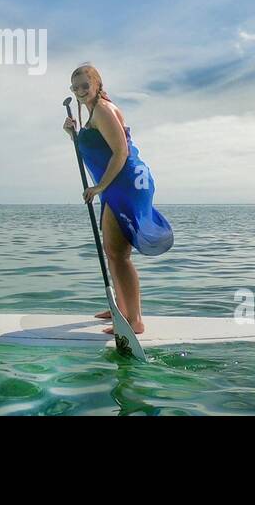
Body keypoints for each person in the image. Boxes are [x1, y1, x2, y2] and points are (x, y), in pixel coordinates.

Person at [62, 63, 173, 334]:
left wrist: (99, 186)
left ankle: (134, 320)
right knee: (112, 252)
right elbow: (98, 149)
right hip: (117, 184)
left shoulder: (102, 109)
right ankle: (121, 309)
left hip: (125, 183)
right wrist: (73, 135)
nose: (80, 91)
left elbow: (120, 153)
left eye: (85, 86)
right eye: (75, 88)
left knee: (119, 254)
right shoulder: (92, 112)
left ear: (97, 84)